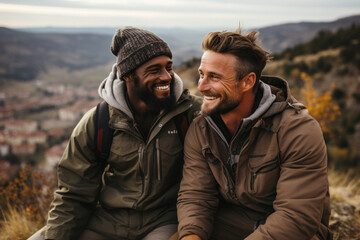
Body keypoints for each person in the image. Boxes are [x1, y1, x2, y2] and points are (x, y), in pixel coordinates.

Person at [28, 27, 202, 240]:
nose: (167, 77)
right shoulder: (98, 122)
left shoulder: (189, 113)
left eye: (169, 67)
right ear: (128, 75)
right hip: (108, 220)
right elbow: (74, 195)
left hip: (164, 219)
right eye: (154, 70)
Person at [177, 27, 331, 240]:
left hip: (293, 231)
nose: (201, 87)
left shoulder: (298, 130)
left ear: (248, 81)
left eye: (214, 77)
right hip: (233, 223)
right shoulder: (201, 128)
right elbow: (197, 196)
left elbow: (296, 216)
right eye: (201, 74)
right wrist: (191, 235)